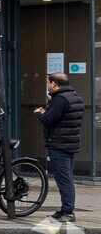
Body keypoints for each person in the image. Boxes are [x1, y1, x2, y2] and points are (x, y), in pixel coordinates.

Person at [35, 71, 86, 221]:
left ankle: (68, 212)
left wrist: (39, 113)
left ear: (54, 84)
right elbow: (66, 119)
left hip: (60, 144)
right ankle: (66, 209)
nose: (47, 86)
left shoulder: (61, 99)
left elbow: (49, 120)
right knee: (67, 177)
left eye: (48, 83)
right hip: (70, 143)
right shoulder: (75, 97)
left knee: (64, 180)